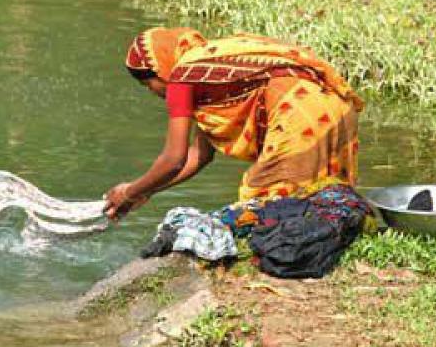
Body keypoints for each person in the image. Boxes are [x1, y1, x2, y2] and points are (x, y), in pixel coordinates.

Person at [103, 27, 370, 277]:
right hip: (332, 106)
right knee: (314, 194)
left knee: (268, 198)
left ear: (158, 68)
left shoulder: (181, 80)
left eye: (148, 84)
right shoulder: (205, 69)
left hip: (299, 113)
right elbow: (200, 155)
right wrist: (146, 191)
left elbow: (174, 158)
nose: (153, 92)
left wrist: (129, 192)